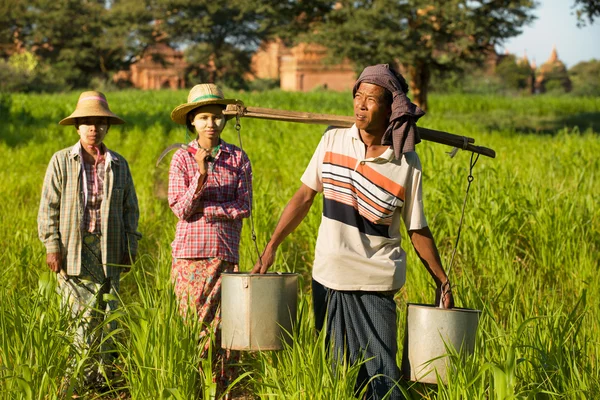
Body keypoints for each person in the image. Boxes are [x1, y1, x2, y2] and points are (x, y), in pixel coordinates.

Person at [252, 64, 454, 399]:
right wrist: (272, 245)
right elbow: (304, 196)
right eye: (357, 96)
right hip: (328, 275)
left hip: (376, 279)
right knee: (337, 373)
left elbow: (417, 227)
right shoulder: (332, 140)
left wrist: (442, 280)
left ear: (391, 108)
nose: (360, 105)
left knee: (382, 375)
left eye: (371, 99)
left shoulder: (406, 163)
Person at [37, 91, 141, 391]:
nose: (93, 128)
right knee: (78, 316)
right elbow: (49, 207)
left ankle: (102, 379)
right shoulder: (61, 161)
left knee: (107, 315)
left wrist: (130, 247)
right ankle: (77, 379)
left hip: (108, 248)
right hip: (73, 248)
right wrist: (52, 246)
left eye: (99, 122)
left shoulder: (118, 164)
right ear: (77, 127)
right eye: (87, 123)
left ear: (107, 127)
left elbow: (130, 209)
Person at [168, 83, 252, 397]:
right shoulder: (182, 159)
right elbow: (181, 208)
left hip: (226, 254)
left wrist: (212, 210)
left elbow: (244, 206)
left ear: (224, 120)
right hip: (191, 257)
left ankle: (224, 390)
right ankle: (193, 388)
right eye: (203, 117)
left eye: (216, 117)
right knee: (194, 326)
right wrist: (201, 176)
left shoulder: (238, 157)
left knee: (226, 326)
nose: (211, 124)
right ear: (192, 121)